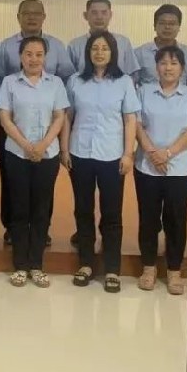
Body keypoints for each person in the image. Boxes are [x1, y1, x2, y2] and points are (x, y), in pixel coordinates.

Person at [0, 0, 74, 245]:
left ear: (44, 17)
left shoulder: (57, 46)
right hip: (15, 124)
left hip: (48, 126)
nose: (31, 17)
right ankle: (12, 228)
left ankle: (41, 230)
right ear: (18, 16)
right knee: (12, 183)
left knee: (43, 189)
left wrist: (50, 138)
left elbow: (67, 79)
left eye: (36, 13)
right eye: (26, 13)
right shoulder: (6, 46)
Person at [62, 32, 139, 293]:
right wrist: (64, 149)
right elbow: (67, 117)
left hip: (112, 155)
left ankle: (112, 268)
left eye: (104, 48)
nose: (99, 52)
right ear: (88, 53)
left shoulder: (124, 82)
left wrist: (128, 154)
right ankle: (86, 263)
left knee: (111, 213)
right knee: (83, 210)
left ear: (113, 52)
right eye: (94, 48)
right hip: (80, 152)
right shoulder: (75, 81)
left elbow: (130, 119)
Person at [0, 36, 69, 288]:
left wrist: (43, 144)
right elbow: (5, 118)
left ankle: (36, 265)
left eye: (39, 54)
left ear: (45, 57)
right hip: (17, 154)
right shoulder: (9, 82)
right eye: (28, 54)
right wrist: (27, 146)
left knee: (41, 209)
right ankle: (20, 265)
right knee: (19, 209)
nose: (33, 59)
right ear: (20, 56)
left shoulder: (55, 83)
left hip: (47, 155)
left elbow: (59, 117)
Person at [134, 46, 187, 295]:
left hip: (179, 168)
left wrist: (167, 153)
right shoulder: (144, 91)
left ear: (182, 68)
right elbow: (136, 124)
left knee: (176, 220)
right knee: (148, 219)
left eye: (174, 63)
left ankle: (174, 270)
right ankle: (148, 268)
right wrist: (152, 152)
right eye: (163, 63)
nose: (168, 68)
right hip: (147, 166)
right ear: (156, 67)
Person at [67, 0, 140, 79]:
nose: (99, 17)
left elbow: (133, 75)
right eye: (94, 13)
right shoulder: (74, 45)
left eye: (104, 12)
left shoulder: (123, 42)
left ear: (110, 15)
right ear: (85, 15)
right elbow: (68, 77)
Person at [133, 4, 187, 86]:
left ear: (179, 27)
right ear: (154, 26)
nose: (167, 27)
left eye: (172, 24)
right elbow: (132, 84)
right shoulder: (139, 53)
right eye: (162, 23)